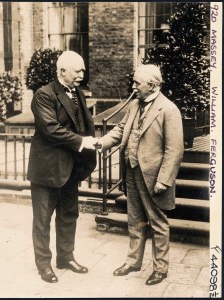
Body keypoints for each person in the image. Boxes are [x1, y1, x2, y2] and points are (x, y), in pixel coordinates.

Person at [97, 64, 184, 285]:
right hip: (133, 172)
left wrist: (164, 180)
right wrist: (102, 143)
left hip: (155, 178)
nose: (133, 87)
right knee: (134, 220)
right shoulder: (135, 104)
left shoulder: (169, 109)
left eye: (137, 83)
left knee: (158, 223)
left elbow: (174, 149)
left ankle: (160, 269)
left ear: (153, 85)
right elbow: (120, 129)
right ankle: (133, 261)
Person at [27, 51, 98, 283]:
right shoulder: (43, 95)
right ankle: (44, 264)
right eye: (78, 70)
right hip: (46, 170)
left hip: (70, 169)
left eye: (83, 70)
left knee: (69, 215)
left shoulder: (78, 93)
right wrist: (81, 142)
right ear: (61, 72)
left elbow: (84, 124)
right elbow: (50, 128)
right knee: (43, 220)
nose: (82, 74)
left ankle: (65, 257)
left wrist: (90, 145)